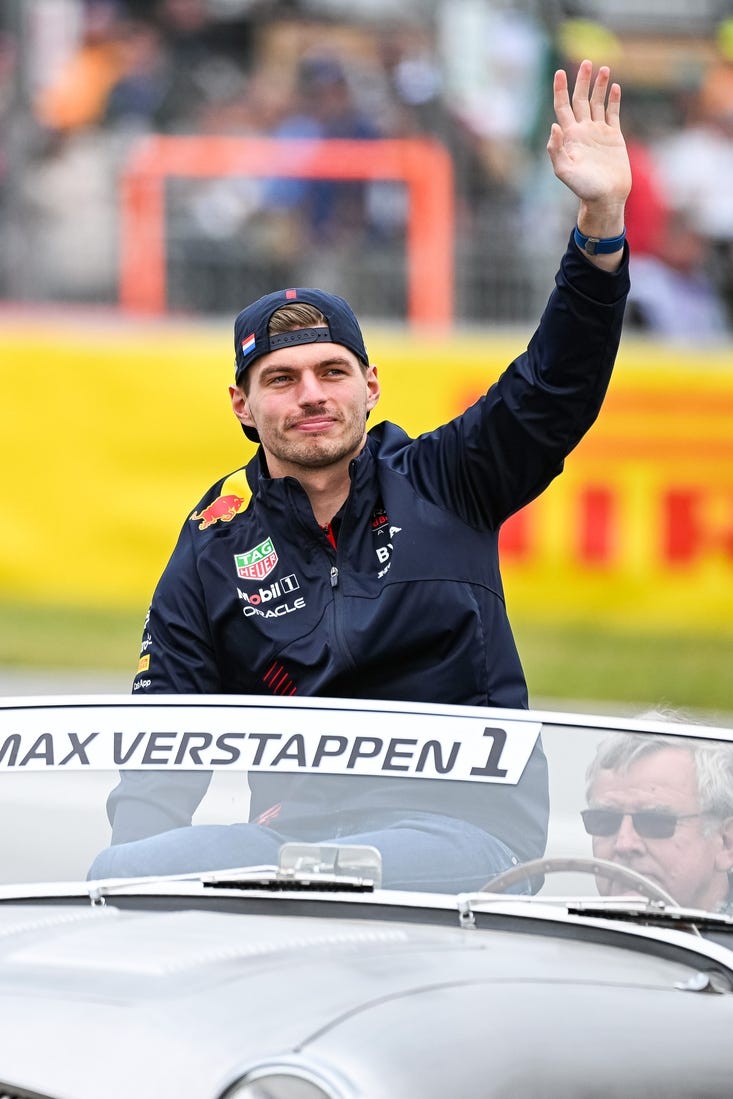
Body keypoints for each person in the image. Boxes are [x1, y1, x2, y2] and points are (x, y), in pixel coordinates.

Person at [89, 59, 631, 888]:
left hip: (463, 840)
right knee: (125, 866)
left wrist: (598, 224)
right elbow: (164, 745)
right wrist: (128, 878)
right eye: (281, 379)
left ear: (370, 387)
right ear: (242, 404)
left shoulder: (448, 477)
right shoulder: (213, 543)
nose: (311, 395)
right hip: (287, 851)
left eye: (331, 372)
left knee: (339, 869)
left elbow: (556, 385)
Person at [582, 732, 733, 911]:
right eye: (604, 821)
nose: (624, 844)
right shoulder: (559, 934)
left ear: (725, 843)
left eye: (655, 823)